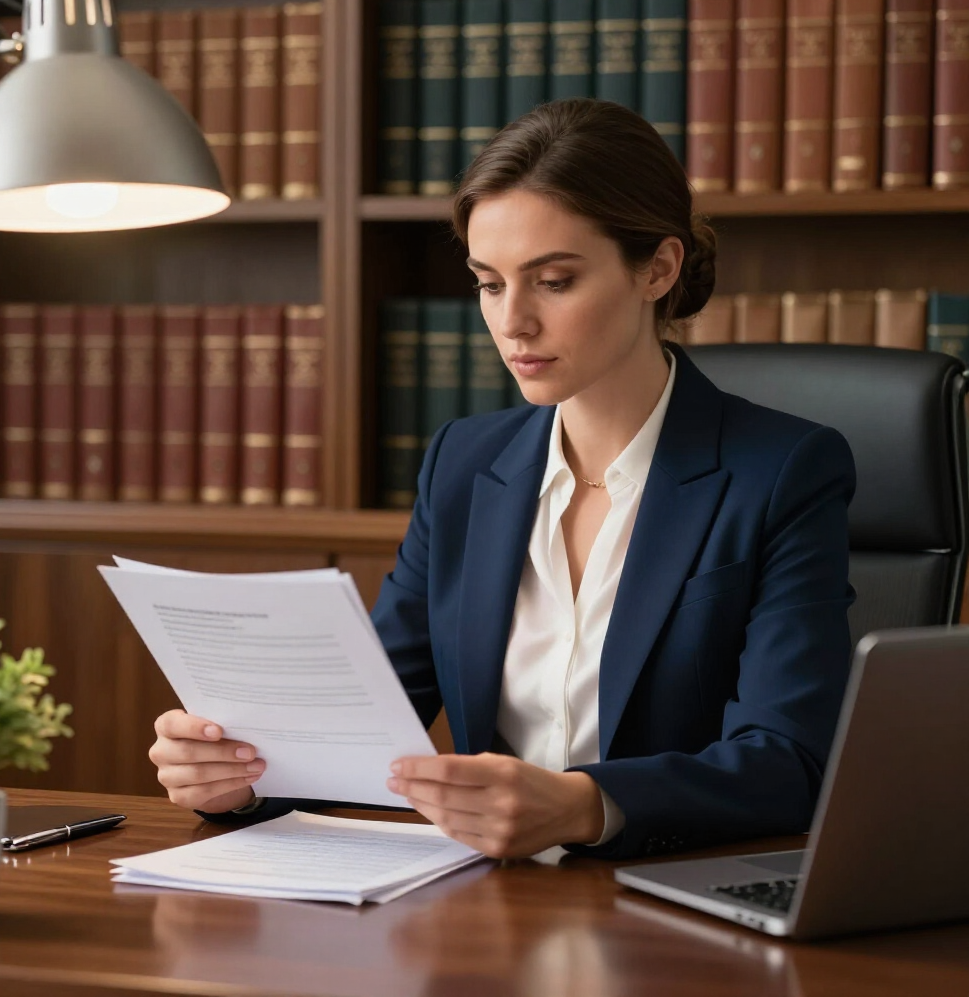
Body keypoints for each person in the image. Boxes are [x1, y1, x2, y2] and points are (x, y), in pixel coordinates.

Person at [149, 98, 856, 861]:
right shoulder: (463, 463)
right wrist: (242, 776)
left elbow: (791, 764)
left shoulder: (783, 471)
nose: (512, 321)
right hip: (487, 905)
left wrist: (588, 805)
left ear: (658, 268)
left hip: (674, 905)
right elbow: (365, 720)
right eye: (489, 283)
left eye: (552, 281)